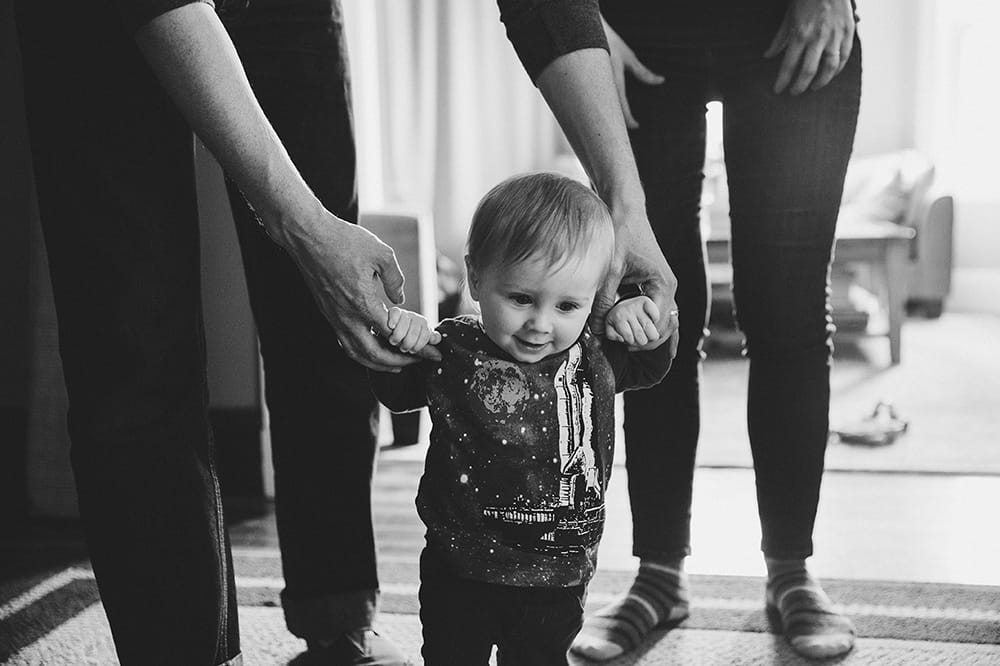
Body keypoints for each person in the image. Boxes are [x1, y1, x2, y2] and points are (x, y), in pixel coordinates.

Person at [14, 0, 426, 664]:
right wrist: (306, 230)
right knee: (131, 340)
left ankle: (340, 618)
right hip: (85, 18)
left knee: (329, 316)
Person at [499, 0, 862, 660]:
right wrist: (584, 29)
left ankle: (791, 570)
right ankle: (659, 573)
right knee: (647, 314)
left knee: (788, 313)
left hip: (790, 22)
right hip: (636, 27)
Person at [368, 173, 674, 665]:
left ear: (597, 295)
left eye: (567, 305)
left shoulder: (597, 353)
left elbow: (651, 365)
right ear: (476, 278)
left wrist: (646, 323)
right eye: (521, 299)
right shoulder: (453, 349)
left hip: (557, 576)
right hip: (458, 566)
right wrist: (397, 339)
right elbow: (396, 393)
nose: (540, 324)